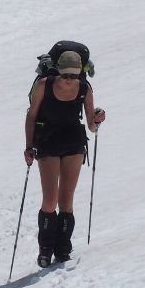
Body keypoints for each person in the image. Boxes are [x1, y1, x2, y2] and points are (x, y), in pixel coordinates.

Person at [24, 49, 106, 267]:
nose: (69, 80)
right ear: (58, 71)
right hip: (48, 141)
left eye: (73, 75)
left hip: (73, 142)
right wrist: (28, 146)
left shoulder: (84, 89)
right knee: (50, 200)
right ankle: (45, 250)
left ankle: (62, 250)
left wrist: (97, 119)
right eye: (65, 75)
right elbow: (31, 116)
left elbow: (90, 124)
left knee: (66, 200)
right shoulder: (44, 85)